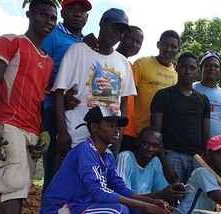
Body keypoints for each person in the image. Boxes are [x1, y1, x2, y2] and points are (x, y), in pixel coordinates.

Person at [40, 106, 174, 214]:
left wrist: (152, 201)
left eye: (117, 126)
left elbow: (120, 188)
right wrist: (146, 206)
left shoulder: (107, 155)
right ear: (95, 127)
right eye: (110, 125)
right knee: (119, 212)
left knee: (134, 211)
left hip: (77, 210)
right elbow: (99, 193)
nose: (116, 129)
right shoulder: (85, 150)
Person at [0, 0, 57, 214]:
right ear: (29, 14)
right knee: (13, 185)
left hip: (32, 131)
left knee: (19, 189)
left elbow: (38, 100)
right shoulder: (9, 42)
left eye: (53, 18)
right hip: (8, 123)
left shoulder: (48, 61)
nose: (48, 21)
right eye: (43, 14)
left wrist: (43, 131)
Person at [52, 8, 136, 157]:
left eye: (122, 30)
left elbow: (123, 102)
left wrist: (119, 135)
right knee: (68, 180)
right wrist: (62, 132)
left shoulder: (123, 62)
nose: (117, 32)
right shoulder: (77, 51)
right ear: (102, 24)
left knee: (100, 180)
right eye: (114, 26)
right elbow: (59, 92)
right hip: (77, 137)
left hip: (109, 142)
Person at [102, 127, 187, 214]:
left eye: (155, 146)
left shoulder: (155, 162)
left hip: (138, 213)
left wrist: (171, 193)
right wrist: (161, 194)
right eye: (146, 144)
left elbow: (161, 192)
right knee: (139, 209)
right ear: (138, 143)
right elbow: (124, 195)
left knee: (167, 208)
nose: (150, 149)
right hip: (119, 209)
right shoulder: (126, 157)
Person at [40, 0, 92, 193]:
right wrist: (59, 94)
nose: (78, 14)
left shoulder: (87, 43)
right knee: (55, 171)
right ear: (62, 13)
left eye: (83, 11)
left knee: (74, 172)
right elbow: (40, 70)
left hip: (78, 115)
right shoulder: (52, 35)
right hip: (54, 111)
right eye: (72, 9)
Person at [151, 52, 210, 184]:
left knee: (193, 199)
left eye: (192, 68)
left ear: (197, 71)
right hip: (172, 155)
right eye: (184, 67)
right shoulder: (163, 95)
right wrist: (165, 164)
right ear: (176, 67)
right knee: (172, 198)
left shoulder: (203, 99)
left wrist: (207, 161)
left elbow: (206, 134)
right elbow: (156, 133)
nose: (187, 71)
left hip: (197, 158)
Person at [133, 30, 180, 132]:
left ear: (178, 50)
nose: (168, 49)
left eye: (173, 46)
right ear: (158, 45)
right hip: (139, 130)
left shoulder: (178, 73)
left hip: (165, 134)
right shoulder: (142, 63)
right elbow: (128, 96)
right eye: (165, 45)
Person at [116, 25, 144, 153]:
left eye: (138, 42)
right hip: (114, 126)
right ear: (121, 37)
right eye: (131, 39)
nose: (134, 44)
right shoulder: (108, 59)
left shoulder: (131, 66)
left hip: (130, 130)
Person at [193, 51, 221, 137]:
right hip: (194, 143)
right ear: (201, 69)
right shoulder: (192, 88)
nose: (212, 68)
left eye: (216, 66)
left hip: (217, 145)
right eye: (208, 65)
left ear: (219, 71)